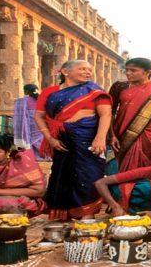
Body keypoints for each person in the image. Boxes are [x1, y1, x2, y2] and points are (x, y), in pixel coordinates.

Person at [35, 60, 112, 220]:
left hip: (88, 138)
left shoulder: (94, 90)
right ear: (65, 71)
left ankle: (87, 213)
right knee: (62, 173)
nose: (87, 72)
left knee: (88, 173)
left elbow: (105, 115)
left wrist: (100, 138)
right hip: (60, 139)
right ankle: (64, 213)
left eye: (89, 69)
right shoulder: (50, 92)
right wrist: (49, 138)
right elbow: (39, 116)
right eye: (82, 68)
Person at [13, 84, 45, 159]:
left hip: (29, 123)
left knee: (29, 139)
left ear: (26, 91)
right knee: (40, 139)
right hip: (40, 123)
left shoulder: (22, 101)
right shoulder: (42, 100)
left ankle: (30, 156)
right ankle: (43, 156)